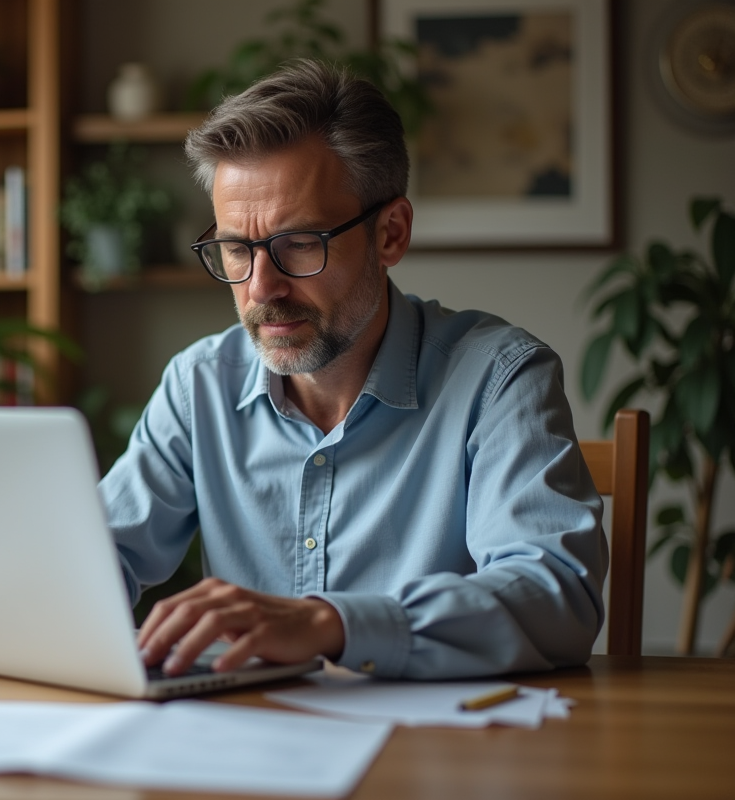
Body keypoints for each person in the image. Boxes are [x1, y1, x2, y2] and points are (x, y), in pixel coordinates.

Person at [99, 59, 607, 681]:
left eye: (300, 243)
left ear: (390, 234)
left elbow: (556, 596)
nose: (262, 288)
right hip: (248, 752)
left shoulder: (498, 380)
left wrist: (328, 624)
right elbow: (95, 560)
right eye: (237, 248)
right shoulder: (198, 384)